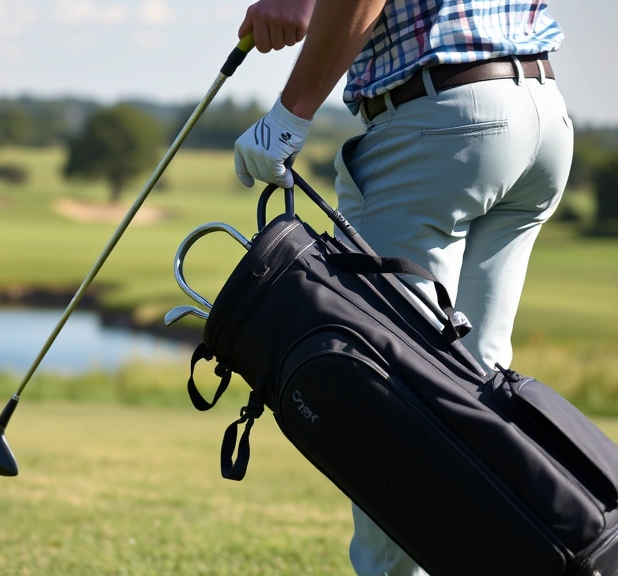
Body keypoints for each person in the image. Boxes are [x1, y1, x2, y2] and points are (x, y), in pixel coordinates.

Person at [233, 1, 573, 574]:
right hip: (538, 112)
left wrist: (291, 112)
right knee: (476, 394)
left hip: (443, 123)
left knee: (393, 401)